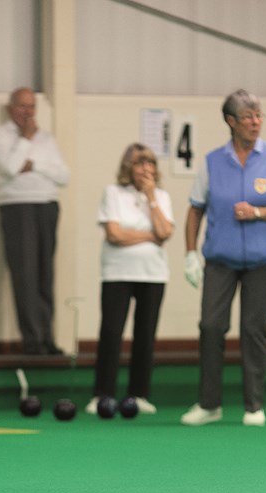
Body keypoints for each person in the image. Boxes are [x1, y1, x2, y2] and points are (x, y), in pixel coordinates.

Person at [181, 89, 266, 428]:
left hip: (265, 261)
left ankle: (254, 406)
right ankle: (209, 404)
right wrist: (191, 254)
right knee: (210, 327)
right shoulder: (212, 162)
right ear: (231, 122)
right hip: (221, 260)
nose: (255, 122)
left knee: (253, 330)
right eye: (248, 117)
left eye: (259, 115)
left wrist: (259, 212)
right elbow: (195, 210)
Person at [86, 143, 174, 416]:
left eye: (149, 163)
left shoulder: (161, 196)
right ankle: (103, 394)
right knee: (112, 333)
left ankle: (139, 394)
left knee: (145, 335)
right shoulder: (113, 193)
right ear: (128, 167)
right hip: (118, 273)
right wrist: (150, 236)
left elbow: (166, 231)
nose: (145, 168)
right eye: (139, 163)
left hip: (153, 274)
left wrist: (151, 198)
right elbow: (115, 234)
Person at [0, 87, 70, 355]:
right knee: (25, 274)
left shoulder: (46, 138)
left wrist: (34, 165)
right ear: (11, 108)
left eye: (32, 106)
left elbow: (63, 176)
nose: (28, 112)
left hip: (47, 205)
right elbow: (9, 168)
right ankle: (32, 341)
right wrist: (25, 140)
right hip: (17, 208)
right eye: (23, 106)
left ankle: (48, 338)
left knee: (46, 274)